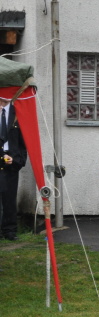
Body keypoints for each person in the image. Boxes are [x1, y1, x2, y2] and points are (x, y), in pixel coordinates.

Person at [0, 97, 27, 241]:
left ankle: (9, 230)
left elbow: (23, 139)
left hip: (12, 161)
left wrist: (19, 160)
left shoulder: (17, 112)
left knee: (10, 197)